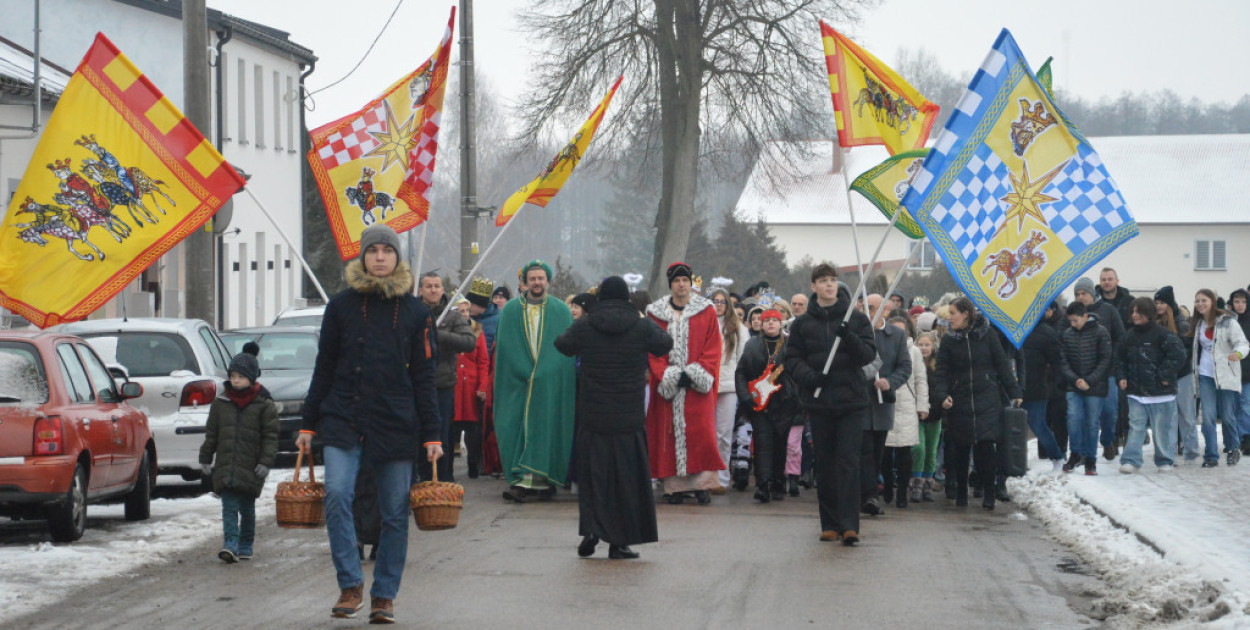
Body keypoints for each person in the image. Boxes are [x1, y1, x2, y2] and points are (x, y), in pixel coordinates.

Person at [297, 224, 442, 623]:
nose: (380, 257)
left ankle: (384, 595)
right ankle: (350, 583)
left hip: (395, 421)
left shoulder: (415, 311)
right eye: (373, 250)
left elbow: (425, 377)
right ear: (362, 256)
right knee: (337, 495)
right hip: (344, 417)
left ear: (398, 258)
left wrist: (432, 433)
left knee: (395, 512)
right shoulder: (340, 307)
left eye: (387, 250)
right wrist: (308, 424)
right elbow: (323, 367)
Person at [555, 276, 672, 560]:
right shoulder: (640, 325)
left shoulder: (586, 324)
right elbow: (664, 344)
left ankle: (592, 528)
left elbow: (562, 345)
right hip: (628, 416)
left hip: (593, 414)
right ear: (627, 297)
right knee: (626, 479)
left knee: (594, 475)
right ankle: (619, 543)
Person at [784, 264, 876, 545]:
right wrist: (810, 377)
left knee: (848, 462)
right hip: (820, 402)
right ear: (814, 286)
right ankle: (830, 523)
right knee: (825, 463)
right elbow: (792, 360)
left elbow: (868, 355)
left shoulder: (856, 319)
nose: (829, 285)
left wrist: (848, 336)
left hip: (851, 401)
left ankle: (849, 525)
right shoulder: (802, 324)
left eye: (833, 280)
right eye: (823, 281)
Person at [494, 260, 578, 500]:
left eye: (541, 278)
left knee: (545, 426)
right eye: (532, 279)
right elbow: (506, 348)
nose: (537, 283)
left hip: (549, 383)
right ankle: (521, 480)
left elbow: (564, 351)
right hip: (518, 382)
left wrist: (544, 372)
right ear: (524, 282)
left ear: (547, 281)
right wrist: (525, 371)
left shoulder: (561, 311)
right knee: (516, 425)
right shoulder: (510, 310)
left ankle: (544, 480)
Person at [646, 262, 726, 504]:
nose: (682, 285)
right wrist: (667, 374)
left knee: (701, 434)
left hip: (697, 385)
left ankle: (702, 485)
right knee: (668, 434)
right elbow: (651, 350)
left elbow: (713, 347)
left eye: (685, 280)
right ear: (671, 284)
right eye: (677, 281)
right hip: (667, 386)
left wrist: (695, 373)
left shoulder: (707, 310)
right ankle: (674, 487)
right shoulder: (655, 313)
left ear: (691, 283)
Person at [931, 298, 1022, 509]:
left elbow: (1002, 365)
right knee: (960, 449)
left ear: (965, 314)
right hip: (960, 399)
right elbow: (942, 372)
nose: (949, 317)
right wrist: (943, 395)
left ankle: (989, 493)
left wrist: (1015, 391)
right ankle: (961, 492)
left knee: (986, 448)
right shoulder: (949, 340)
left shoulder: (988, 335)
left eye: (953, 313)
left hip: (987, 398)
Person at [199, 351, 279, 563]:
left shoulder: (264, 405)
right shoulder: (221, 403)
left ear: (251, 378)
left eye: (240, 377)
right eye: (233, 376)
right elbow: (212, 434)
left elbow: (271, 437)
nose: (235, 380)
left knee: (247, 509)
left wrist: (265, 462)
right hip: (226, 466)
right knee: (229, 508)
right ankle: (230, 544)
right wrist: (205, 458)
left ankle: (245, 544)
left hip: (251, 467)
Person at [418, 272, 477, 483]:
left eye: (437, 286)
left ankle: (443, 482)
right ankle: (419, 481)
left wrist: (437, 334)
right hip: (415, 386)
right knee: (417, 435)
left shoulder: (452, 316)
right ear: (420, 290)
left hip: (442, 386)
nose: (433, 290)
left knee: (442, 435)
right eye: (429, 286)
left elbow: (469, 341)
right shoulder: (412, 312)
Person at [735, 308, 799, 502]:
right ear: (761, 325)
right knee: (762, 444)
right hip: (758, 403)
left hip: (784, 403)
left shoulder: (791, 346)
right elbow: (741, 373)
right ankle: (763, 485)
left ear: (781, 324)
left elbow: (799, 372)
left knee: (780, 444)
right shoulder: (752, 345)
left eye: (774, 320)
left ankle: (778, 483)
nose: (771, 323)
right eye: (767, 320)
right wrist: (745, 396)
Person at [1116, 297, 1186, 473]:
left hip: (1161, 393)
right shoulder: (1128, 336)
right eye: (1133, 311)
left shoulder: (1163, 335)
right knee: (1136, 426)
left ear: (1149, 313)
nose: (1135, 315)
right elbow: (1119, 359)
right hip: (1135, 392)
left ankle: (1164, 460)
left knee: (1161, 428)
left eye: (1138, 311)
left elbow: (1178, 356)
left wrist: (1164, 375)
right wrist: (1122, 376)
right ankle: (1131, 460)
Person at [860, 294, 911, 516]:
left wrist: (889, 382)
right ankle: (868, 495)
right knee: (863, 451)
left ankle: (870, 494)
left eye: (871, 308)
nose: (867, 312)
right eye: (864, 307)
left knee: (877, 453)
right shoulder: (858, 332)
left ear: (885, 310)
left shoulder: (896, 335)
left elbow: (905, 367)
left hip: (882, 403)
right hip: (859, 401)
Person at [1192, 289, 1249, 467]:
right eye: (1197, 301)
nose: (1200, 304)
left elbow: (1243, 343)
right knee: (1207, 417)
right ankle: (1211, 455)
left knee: (1227, 416)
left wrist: (1238, 353)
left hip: (1226, 374)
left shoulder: (1227, 322)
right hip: (1205, 375)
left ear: (1213, 302)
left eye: (1204, 300)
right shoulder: (1198, 324)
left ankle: (1232, 448)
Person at [1059, 301, 1112, 475]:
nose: (1072, 324)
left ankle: (1090, 459)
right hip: (1074, 385)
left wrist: (1089, 380)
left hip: (1095, 386)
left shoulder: (1100, 332)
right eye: (1070, 321)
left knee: (1092, 422)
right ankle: (1075, 454)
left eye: (1075, 320)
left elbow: (1105, 359)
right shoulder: (1067, 334)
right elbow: (1064, 361)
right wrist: (1076, 380)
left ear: (1085, 316)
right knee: (1073, 418)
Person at [1074, 277, 1124, 460]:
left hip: (1107, 372)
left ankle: (1108, 440)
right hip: (1082, 374)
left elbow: (1120, 337)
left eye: (1084, 293)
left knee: (1110, 411)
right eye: (1077, 294)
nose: (1081, 297)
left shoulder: (1108, 311)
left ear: (1092, 294)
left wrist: (1112, 356)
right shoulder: (1072, 314)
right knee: (1084, 415)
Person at [884, 315, 926, 509]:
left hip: (907, 404)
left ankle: (902, 491)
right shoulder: (882, 347)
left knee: (904, 452)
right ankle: (886, 487)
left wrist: (922, 406)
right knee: (884, 451)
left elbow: (920, 379)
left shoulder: (915, 351)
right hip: (885, 402)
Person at [710, 287, 748, 493]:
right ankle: (706, 476)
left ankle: (721, 477)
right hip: (706, 384)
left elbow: (743, 359)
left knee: (724, 434)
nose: (718, 305)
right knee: (707, 433)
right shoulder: (704, 324)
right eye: (715, 301)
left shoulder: (739, 328)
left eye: (722, 301)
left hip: (728, 385)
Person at [1021, 301, 1067, 473]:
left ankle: (1056, 457)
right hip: (1017, 386)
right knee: (1015, 426)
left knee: (1037, 424)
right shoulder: (1015, 331)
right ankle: (1016, 460)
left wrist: (1057, 383)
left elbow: (1057, 361)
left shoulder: (1047, 333)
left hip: (1037, 386)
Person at [454, 298, 491, 479]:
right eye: (461, 311)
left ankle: (473, 464)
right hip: (453, 387)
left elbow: (483, 361)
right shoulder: (448, 329)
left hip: (471, 389)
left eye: (467, 310)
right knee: (450, 429)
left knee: (473, 431)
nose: (465, 314)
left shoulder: (478, 331)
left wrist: (482, 387)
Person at [912, 331, 942, 502]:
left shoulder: (939, 365)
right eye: (921, 344)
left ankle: (928, 484)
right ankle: (916, 482)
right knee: (919, 448)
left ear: (933, 346)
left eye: (927, 345)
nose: (923, 348)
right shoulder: (912, 362)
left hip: (935, 413)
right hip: (916, 413)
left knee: (931, 451)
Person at [1229, 288, 1250, 454]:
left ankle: (1246, 437)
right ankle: (1234, 438)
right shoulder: (1228, 321)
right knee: (1232, 406)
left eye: (1243, 301)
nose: (1240, 305)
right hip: (1231, 371)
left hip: (1248, 372)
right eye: (1237, 301)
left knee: (1245, 405)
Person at [466, 277, 502, 353]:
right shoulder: (466, 318)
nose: (468, 307)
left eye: (472, 304)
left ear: (480, 304)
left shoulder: (500, 320)